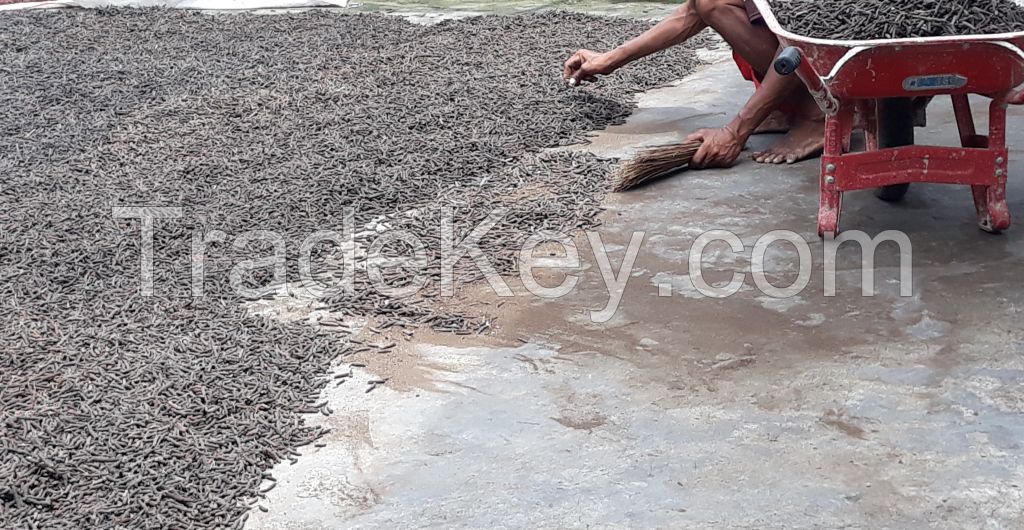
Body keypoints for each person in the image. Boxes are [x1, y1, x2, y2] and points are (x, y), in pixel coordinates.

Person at [563, 0, 824, 168]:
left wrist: (735, 132)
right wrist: (610, 59)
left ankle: (817, 116)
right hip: (806, 44)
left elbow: (802, 40)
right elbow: (693, 10)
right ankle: (787, 106)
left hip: (844, 55)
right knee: (712, 3)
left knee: (807, 27)